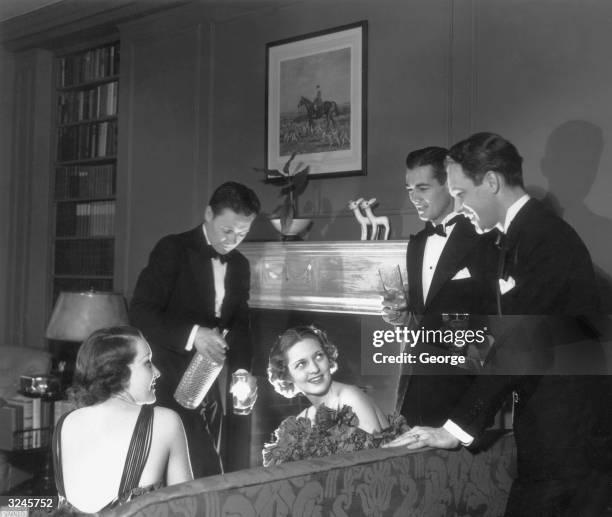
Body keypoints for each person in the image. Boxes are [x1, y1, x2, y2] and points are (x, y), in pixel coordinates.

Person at [385, 132, 611, 517]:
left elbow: (521, 345)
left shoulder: (543, 237)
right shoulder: (521, 235)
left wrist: (454, 429)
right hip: (548, 429)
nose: (457, 204)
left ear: (491, 182)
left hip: (570, 436)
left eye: (461, 193)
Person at [129, 181, 260, 478]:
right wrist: (194, 334)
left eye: (242, 234)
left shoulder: (240, 265)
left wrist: (241, 370)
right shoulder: (172, 249)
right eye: (227, 230)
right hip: (163, 381)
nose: (232, 241)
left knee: (206, 466)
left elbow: (240, 324)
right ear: (208, 214)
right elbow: (141, 312)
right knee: (186, 469)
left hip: (207, 384)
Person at [383, 146, 498, 426]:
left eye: (423, 188)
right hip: (415, 390)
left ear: (449, 184)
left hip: (464, 395)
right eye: (409, 189)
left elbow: (495, 323)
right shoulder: (417, 244)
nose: (414, 198)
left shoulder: (486, 240)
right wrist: (402, 316)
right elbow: (424, 315)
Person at [52, 326, 193, 514]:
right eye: (147, 363)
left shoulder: (65, 423)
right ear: (117, 370)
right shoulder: (165, 421)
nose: (157, 372)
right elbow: (188, 508)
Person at [263, 326, 392, 465]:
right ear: (287, 375)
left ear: (328, 356)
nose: (314, 369)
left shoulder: (350, 398)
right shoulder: (302, 420)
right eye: (301, 364)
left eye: (319, 356)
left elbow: (371, 469)